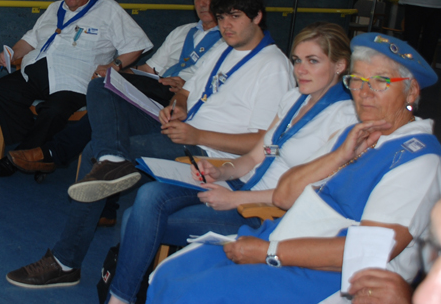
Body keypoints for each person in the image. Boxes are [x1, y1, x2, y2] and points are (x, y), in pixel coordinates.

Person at [6, 0, 294, 288]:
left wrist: (197, 135)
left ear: (257, 16)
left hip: (210, 153)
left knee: (92, 152)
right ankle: (112, 159)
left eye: (234, 17)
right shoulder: (224, 48)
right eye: (221, 17)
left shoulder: (273, 67)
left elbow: (262, 143)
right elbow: (187, 91)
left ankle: (66, 261)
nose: (226, 26)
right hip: (182, 130)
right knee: (102, 84)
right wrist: (177, 107)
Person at [145, 33, 441, 304]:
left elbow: (368, 252)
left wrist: (269, 253)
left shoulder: (417, 159)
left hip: (338, 276)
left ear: (411, 92)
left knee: (197, 293)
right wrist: (339, 155)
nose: (364, 93)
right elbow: (285, 195)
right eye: (357, 80)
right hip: (290, 238)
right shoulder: (354, 135)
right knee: (174, 273)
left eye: (380, 81)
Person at [107, 22, 358, 304]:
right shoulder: (294, 98)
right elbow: (254, 156)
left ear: (340, 65)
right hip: (240, 185)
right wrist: (221, 171)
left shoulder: (345, 117)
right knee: (149, 194)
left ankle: (122, 298)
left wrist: (234, 199)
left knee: (136, 215)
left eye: (313, 61)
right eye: (297, 60)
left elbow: (311, 192)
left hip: (265, 211)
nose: (300, 70)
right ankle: (124, 298)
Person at [6, 0, 228, 177]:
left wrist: (189, 86)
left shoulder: (231, 41)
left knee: (103, 99)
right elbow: (148, 70)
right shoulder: (182, 32)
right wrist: (114, 69)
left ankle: (51, 153)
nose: (202, 3)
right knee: (104, 88)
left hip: (183, 100)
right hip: (153, 90)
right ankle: (60, 156)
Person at [0, 0, 152, 178]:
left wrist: (114, 65)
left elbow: (136, 44)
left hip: (74, 82)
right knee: (3, 90)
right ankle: (34, 153)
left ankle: (20, 157)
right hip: (35, 73)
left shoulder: (108, 9)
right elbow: (29, 40)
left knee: (54, 111)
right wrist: (12, 53)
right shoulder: (54, 8)